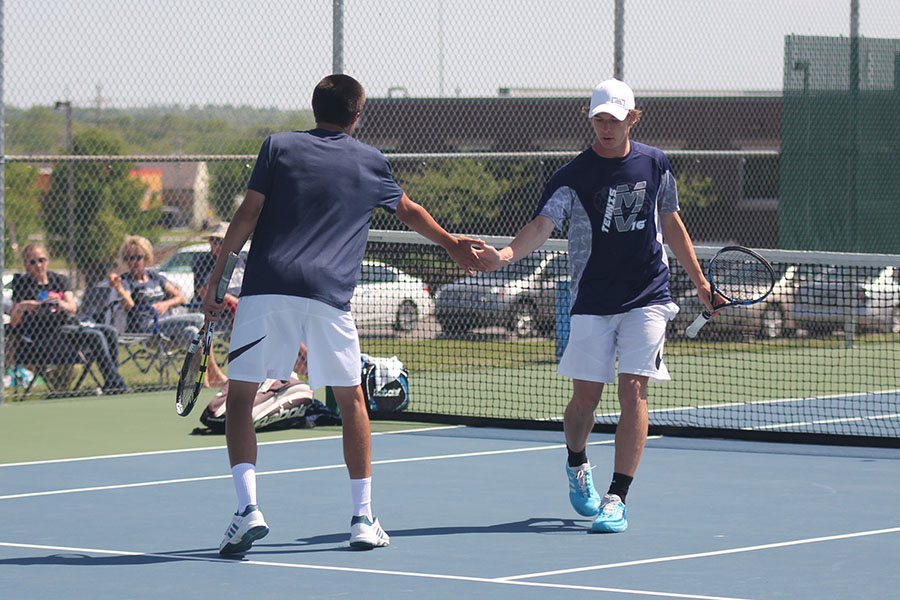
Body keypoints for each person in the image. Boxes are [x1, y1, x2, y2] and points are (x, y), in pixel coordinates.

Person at [202, 74, 487, 555]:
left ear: (314, 108)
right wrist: (453, 244)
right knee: (351, 399)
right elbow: (410, 210)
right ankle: (362, 518)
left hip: (266, 289)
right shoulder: (372, 161)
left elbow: (248, 214)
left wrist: (217, 276)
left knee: (242, 396)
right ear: (359, 115)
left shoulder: (277, 147)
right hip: (329, 297)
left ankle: (247, 509)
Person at [478, 79, 715, 533]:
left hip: (649, 294)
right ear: (591, 120)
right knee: (585, 401)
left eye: (615, 119)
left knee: (634, 392)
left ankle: (617, 497)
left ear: (633, 118)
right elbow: (543, 224)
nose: (606, 128)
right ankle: (576, 462)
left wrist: (700, 280)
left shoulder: (655, 163)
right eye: (599, 119)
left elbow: (671, 220)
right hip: (592, 299)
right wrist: (506, 255)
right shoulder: (571, 175)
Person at [9, 242, 128, 394]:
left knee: (109, 331)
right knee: (96, 336)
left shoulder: (59, 280)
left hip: (68, 329)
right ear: (26, 264)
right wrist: (23, 306)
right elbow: (13, 322)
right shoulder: (22, 285)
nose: (38, 265)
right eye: (32, 262)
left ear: (47, 260)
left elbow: (72, 307)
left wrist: (58, 303)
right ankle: (116, 383)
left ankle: (112, 379)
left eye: (41, 260)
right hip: (44, 337)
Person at [108, 235, 205, 345]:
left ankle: (201, 363)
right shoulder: (126, 281)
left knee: (192, 333)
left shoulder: (153, 276)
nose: (133, 262)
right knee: (200, 319)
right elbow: (129, 305)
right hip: (146, 328)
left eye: (138, 257)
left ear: (146, 258)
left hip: (166, 325)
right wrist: (118, 287)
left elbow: (181, 298)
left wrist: (166, 304)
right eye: (129, 258)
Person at [192, 221, 243, 386]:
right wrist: (232, 300)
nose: (217, 245)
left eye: (221, 241)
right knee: (205, 324)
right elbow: (203, 291)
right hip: (218, 313)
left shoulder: (242, 260)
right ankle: (213, 373)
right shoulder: (203, 263)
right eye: (214, 241)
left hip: (244, 312)